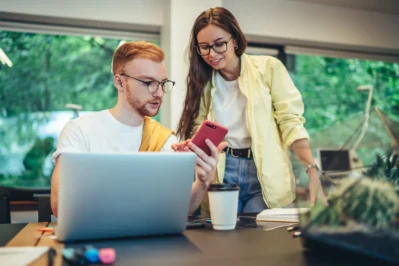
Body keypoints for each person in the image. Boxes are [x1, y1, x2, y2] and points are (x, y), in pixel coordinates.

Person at [174, 7, 327, 214]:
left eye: (219, 44)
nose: (212, 54)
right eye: (204, 47)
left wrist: (312, 173)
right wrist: (191, 146)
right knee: (224, 240)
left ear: (235, 40)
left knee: (262, 238)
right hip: (223, 173)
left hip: (264, 174)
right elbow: (198, 133)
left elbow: (290, 122)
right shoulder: (203, 83)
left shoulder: (268, 69)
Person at [50, 41, 227, 218]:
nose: (158, 93)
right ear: (120, 82)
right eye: (148, 82)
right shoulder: (79, 131)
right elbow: (60, 205)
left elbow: (181, 210)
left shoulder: (165, 141)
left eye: (162, 83)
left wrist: (203, 182)